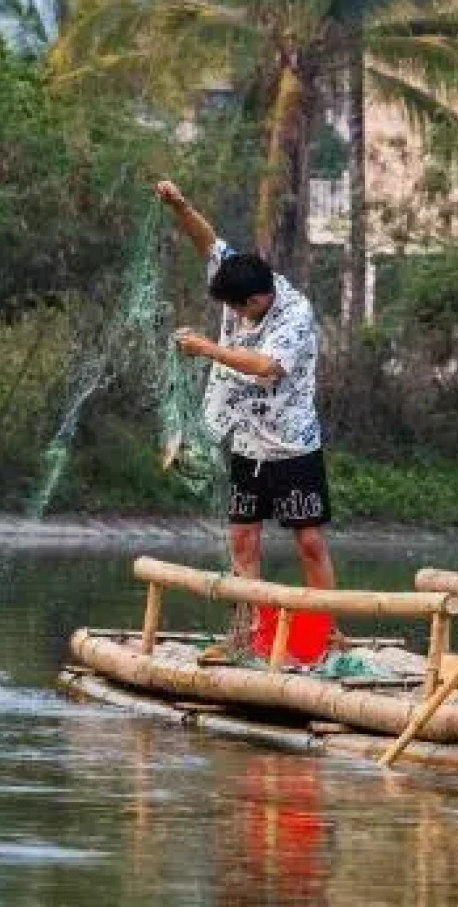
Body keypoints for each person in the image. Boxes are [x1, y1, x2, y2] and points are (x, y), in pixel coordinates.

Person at [153, 180, 335, 605]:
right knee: (242, 538)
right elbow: (209, 243)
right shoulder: (242, 276)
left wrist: (208, 348)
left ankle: (327, 628)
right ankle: (249, 625)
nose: (232, 315)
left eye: (236, 309)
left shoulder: (295, 315)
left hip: (292, 445)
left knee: (310, 542)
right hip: (247, 440)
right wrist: (180, 205)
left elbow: (267, 367)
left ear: (256, 300)